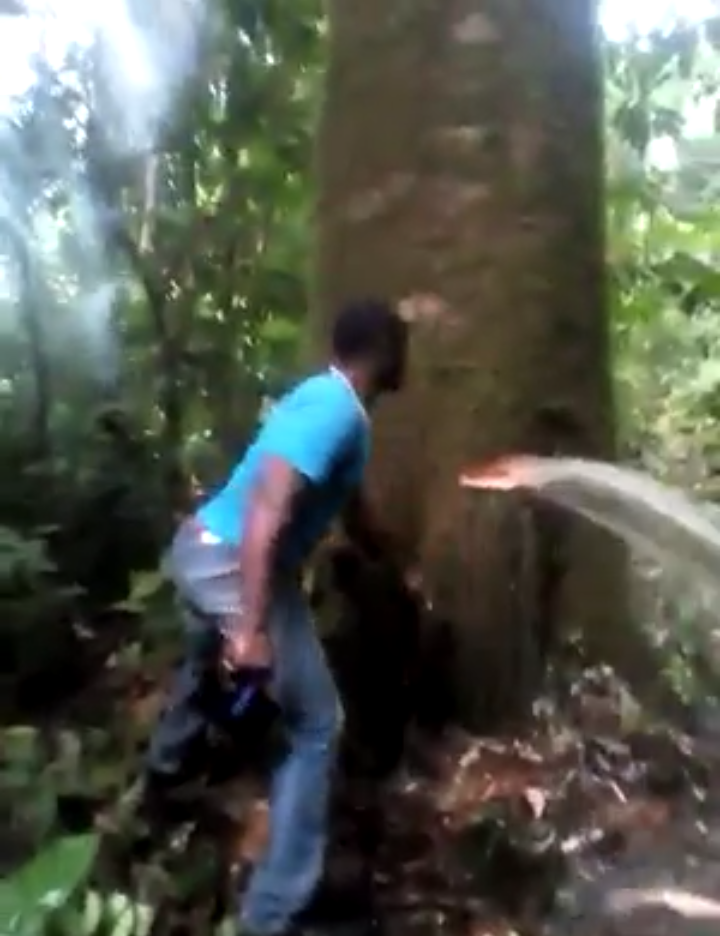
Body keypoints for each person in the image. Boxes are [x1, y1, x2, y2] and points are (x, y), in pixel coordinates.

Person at [144, 297, 411, 936]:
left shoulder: (329, 404)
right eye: (403, 348)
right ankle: (275, 912)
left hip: (206, 551)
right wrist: (251, 627)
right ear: (382, 351)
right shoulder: (335, 410)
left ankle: (164, 780)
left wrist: (392, 559)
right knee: (318, 723)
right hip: (233, 559)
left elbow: (347, 503)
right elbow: (268, 506)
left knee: (205, 662)